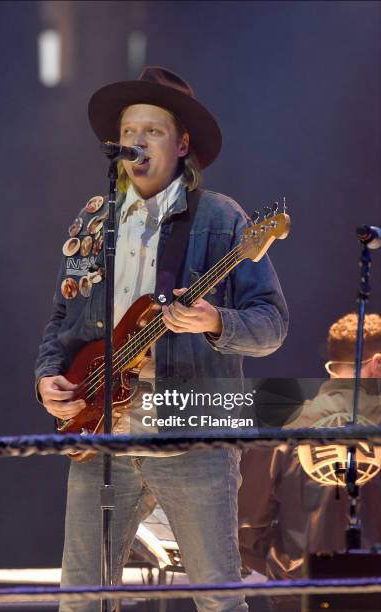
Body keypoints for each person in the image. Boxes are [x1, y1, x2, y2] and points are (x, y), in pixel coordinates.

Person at [35, 66, 289, 612]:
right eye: (129, 132)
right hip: (102, 432)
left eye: (151, 130)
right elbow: (61, 319)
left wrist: (215, 322)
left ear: (182, 144)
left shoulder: (221, 219)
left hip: (192, 429)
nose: (136, 141)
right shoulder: (94, 220)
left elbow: (272, 324)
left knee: (218, 598)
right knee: (82, 598)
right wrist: (46, 380)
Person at [238, 312, 381, 611]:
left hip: (299, 595)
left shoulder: (283, 428)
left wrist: (289, 572)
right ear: (377, 363)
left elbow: (246, 530)